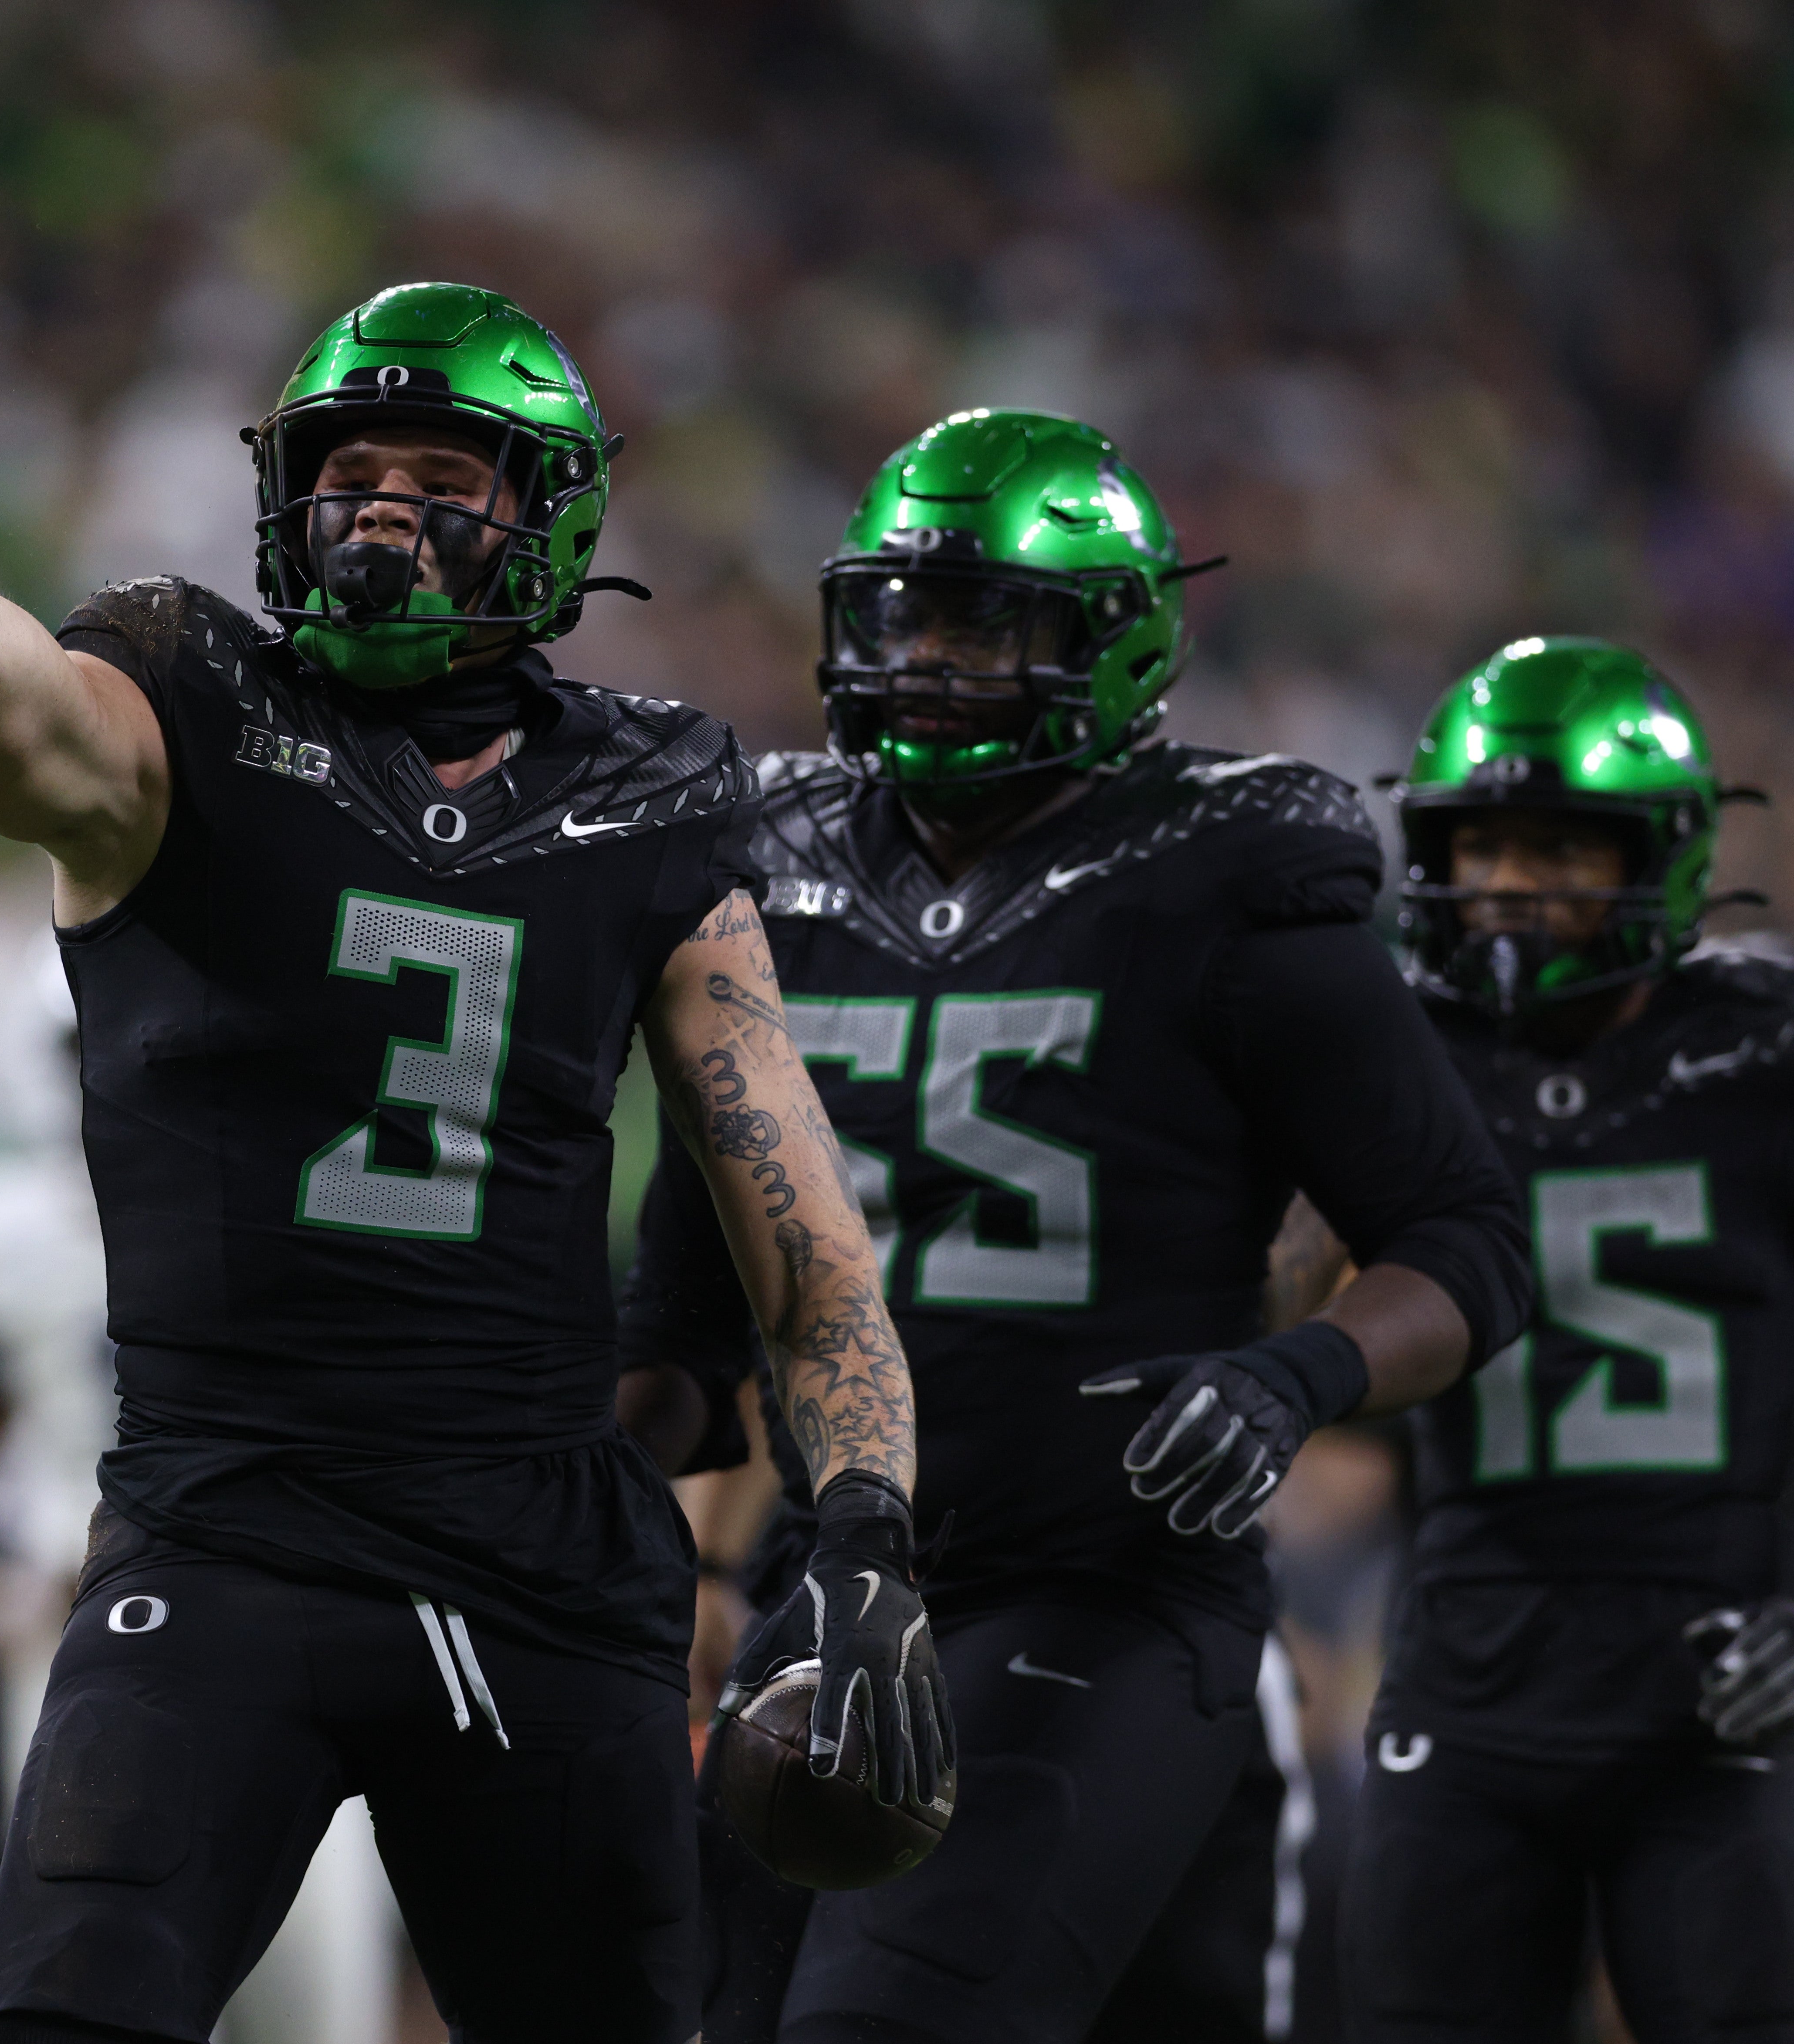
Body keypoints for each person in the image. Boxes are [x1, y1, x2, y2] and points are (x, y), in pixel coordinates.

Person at [0, 167, 944, 2044]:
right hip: (226, 1533)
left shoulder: (656, 794)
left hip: (532, 1555)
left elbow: (809, 1249)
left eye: (442, 482)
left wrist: (868, 1540)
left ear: (545, 520)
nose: (382, 513)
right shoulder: (186, 695)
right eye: (351, 474)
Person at [613, 408, 1532, 2044]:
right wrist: (574, 1486)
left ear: (1116, 640)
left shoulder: (1223, 874)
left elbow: (1465, 1237)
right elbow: (688, 1319)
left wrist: (1298, 1374)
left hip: (1099, 1588)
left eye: (984, 624)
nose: (929, 660)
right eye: (903, 616)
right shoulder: (769, 873)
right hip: (829, 1587)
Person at [1335, 636, 1794, 2043]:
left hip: (1702, 1707)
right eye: (1482, 845)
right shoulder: (1394, 1053)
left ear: (1661, 854)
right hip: (1465, 1692)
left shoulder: (1775, 1057)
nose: (1510, 887)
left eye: (1559, 847)